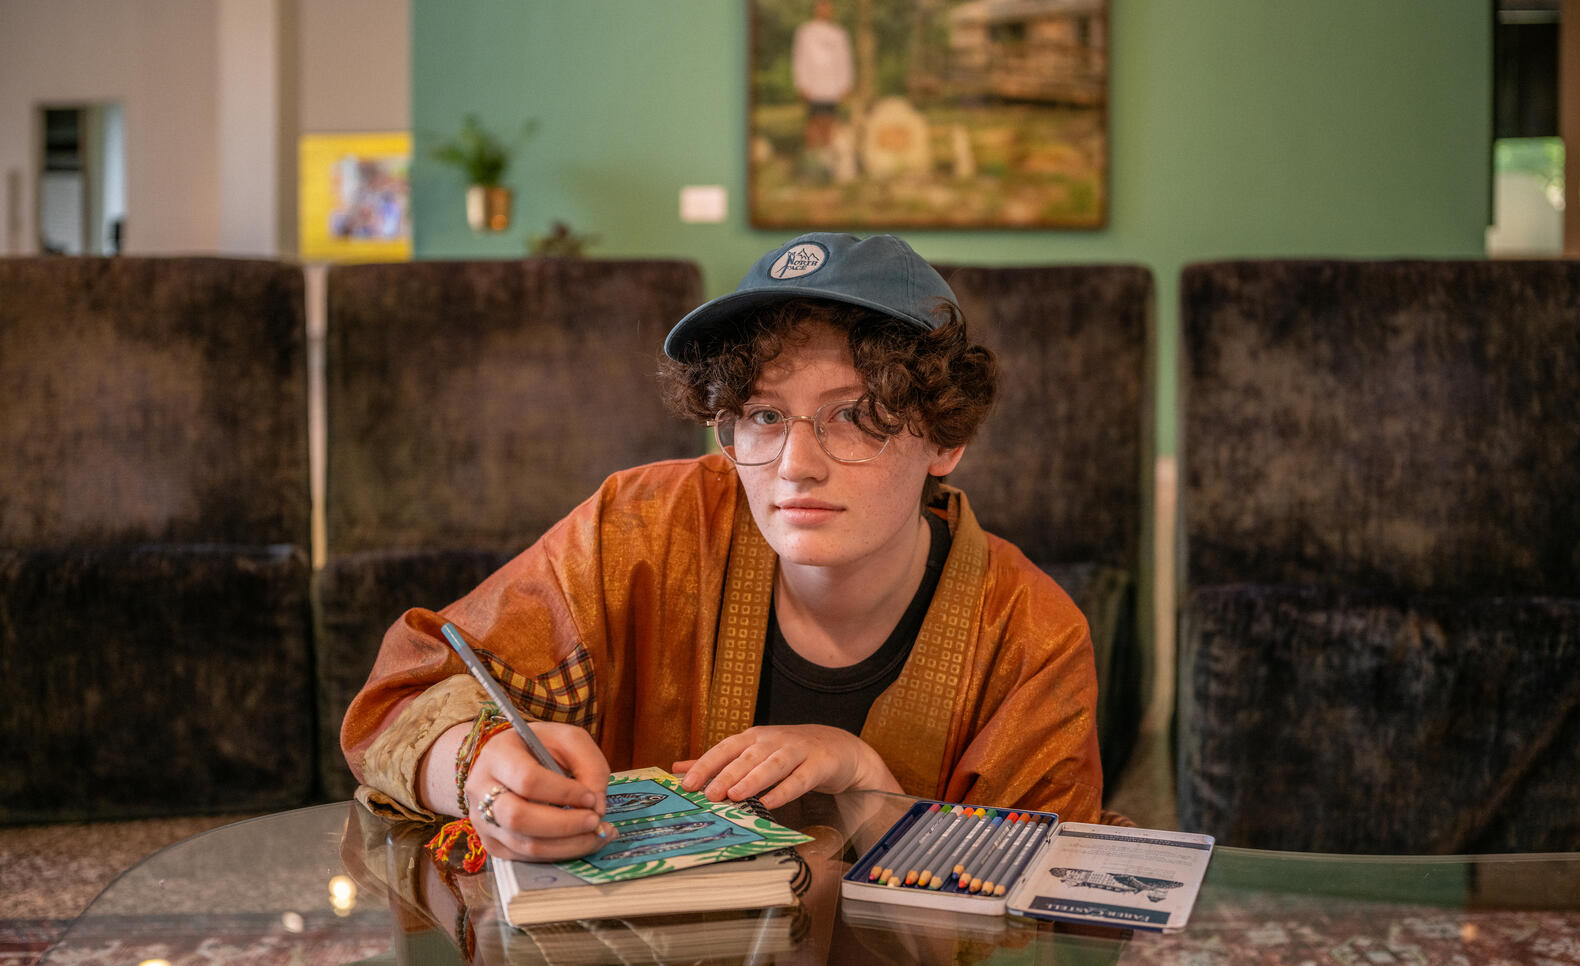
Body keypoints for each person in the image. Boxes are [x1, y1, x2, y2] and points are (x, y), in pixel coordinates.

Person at [342, 232, 1104, 863]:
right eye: (764, 416)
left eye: (853, 416)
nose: (795, 465)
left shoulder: (1030, 634)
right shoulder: (640, 529)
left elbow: (1048, 908)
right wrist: (482, 773)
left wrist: (867, 784)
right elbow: (403, 699)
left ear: (945, 437)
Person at [791, 0, 854, 154]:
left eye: (827, 7)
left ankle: (828, 156)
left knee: (830, 121)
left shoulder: (839, 33)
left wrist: (846, 83)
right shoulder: (805, 32)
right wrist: (801, 83)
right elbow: (799, 58)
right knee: (813, 122)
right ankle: (812, 156)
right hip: (813, 85)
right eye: (821, 6)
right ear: (816, 9)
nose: (824, 10)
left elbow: (845, 59)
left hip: (832, 86)